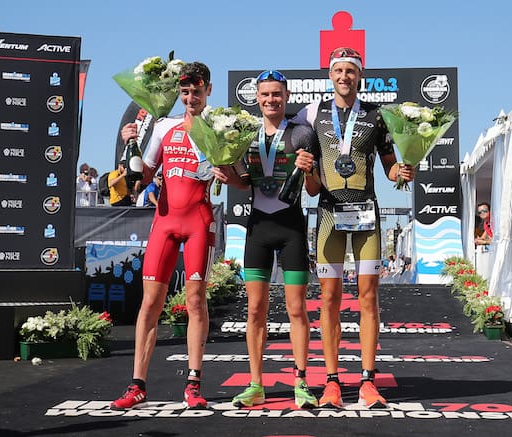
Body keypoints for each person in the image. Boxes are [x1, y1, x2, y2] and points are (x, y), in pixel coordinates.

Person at [293, 47, 415, 409]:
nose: (344, 76)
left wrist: (404, 172)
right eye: (338, 70)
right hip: (329, 214)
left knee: (367, 298)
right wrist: (308, 171)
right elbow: (313, 188)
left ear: (360, 76)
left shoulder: (376, 117)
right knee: (329, 299)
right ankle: (331, 381)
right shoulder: (314, 117)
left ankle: (367, 381)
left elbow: (392, 169)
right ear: (330, 76)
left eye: (351, 70)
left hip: (367, 216)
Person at [110, 62, 215, 410]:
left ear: (207, 91)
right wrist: (131, 146)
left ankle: (194, 382)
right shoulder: (164, 126)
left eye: (196, 92)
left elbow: (233, 173)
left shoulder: (217, 127)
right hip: (166, 222)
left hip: (199, 220)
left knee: (196, 301)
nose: (190, 98)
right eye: (184, 93)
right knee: (150, 303)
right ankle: (138, 384)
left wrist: (226, 169)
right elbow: (143, 176)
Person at [213, 70, 318, 409]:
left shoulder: (302, 132)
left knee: (296, 309)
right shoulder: (245, 134)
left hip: (291, 228)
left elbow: (314, 189)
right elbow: (244, 182)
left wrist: (310, 168)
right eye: (265, 94)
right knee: (255, 309)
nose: (271, 100)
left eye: (277, 94)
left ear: (286, 97)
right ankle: (256, 384)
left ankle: (301, 382)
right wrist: (227, 176)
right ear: (256, 98)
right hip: (257, 227)